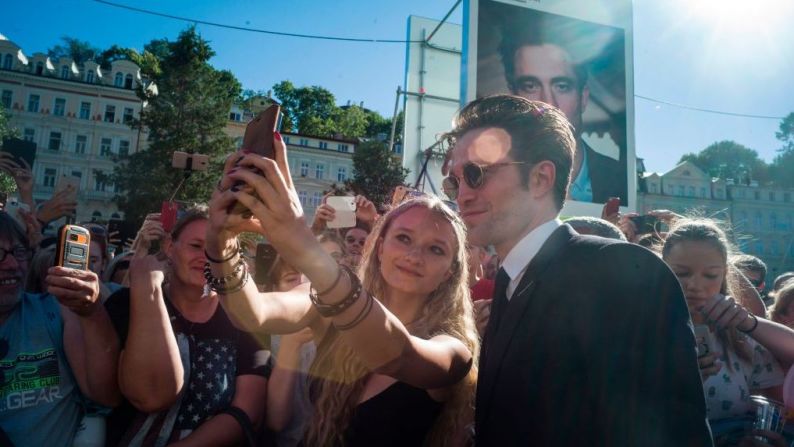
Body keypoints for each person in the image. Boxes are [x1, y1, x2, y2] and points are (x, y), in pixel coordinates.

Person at [441, 95, 711, 445]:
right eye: (455, 181)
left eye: (476, 174)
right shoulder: (508, 281)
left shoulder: (623, 271)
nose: (461, 195)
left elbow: (672, 432)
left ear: (540, 178)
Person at [207, 140, 479, 446]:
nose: (415, 255)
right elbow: (253, 314)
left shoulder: (453, 348)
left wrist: (302, 241)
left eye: (435, 249)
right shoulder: (328, 302)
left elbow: (397, 355)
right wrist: (221, 244)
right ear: (379, 248)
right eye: (403, 238)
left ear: (450, 272)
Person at [104, 207, 271, 446]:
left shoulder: (246, 319)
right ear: (170, 247)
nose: (207, 256)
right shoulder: (125, 304)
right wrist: (147, 291)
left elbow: (247, 412)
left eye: (218, 249)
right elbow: (112, 395)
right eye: (195, 246)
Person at [660, 219, 794, 446]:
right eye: (681, 273)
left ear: (724, 275)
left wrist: (767, 439)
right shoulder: (640, 333)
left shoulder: (742, 339)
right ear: (661, 268)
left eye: (710, 275)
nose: (695, 284)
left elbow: (773, 412)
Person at [0, 211, 121, 446]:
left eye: (19, 252)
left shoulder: (55, 311)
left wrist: (92, 312)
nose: (12, 264)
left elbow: (106, 395)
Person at [499, 27, 626, 204]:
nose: (548, 104)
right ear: (513, 96)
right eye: (530, 86)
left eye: (562, 86)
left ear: (583, 97)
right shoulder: (494, 183)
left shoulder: (621, 181)